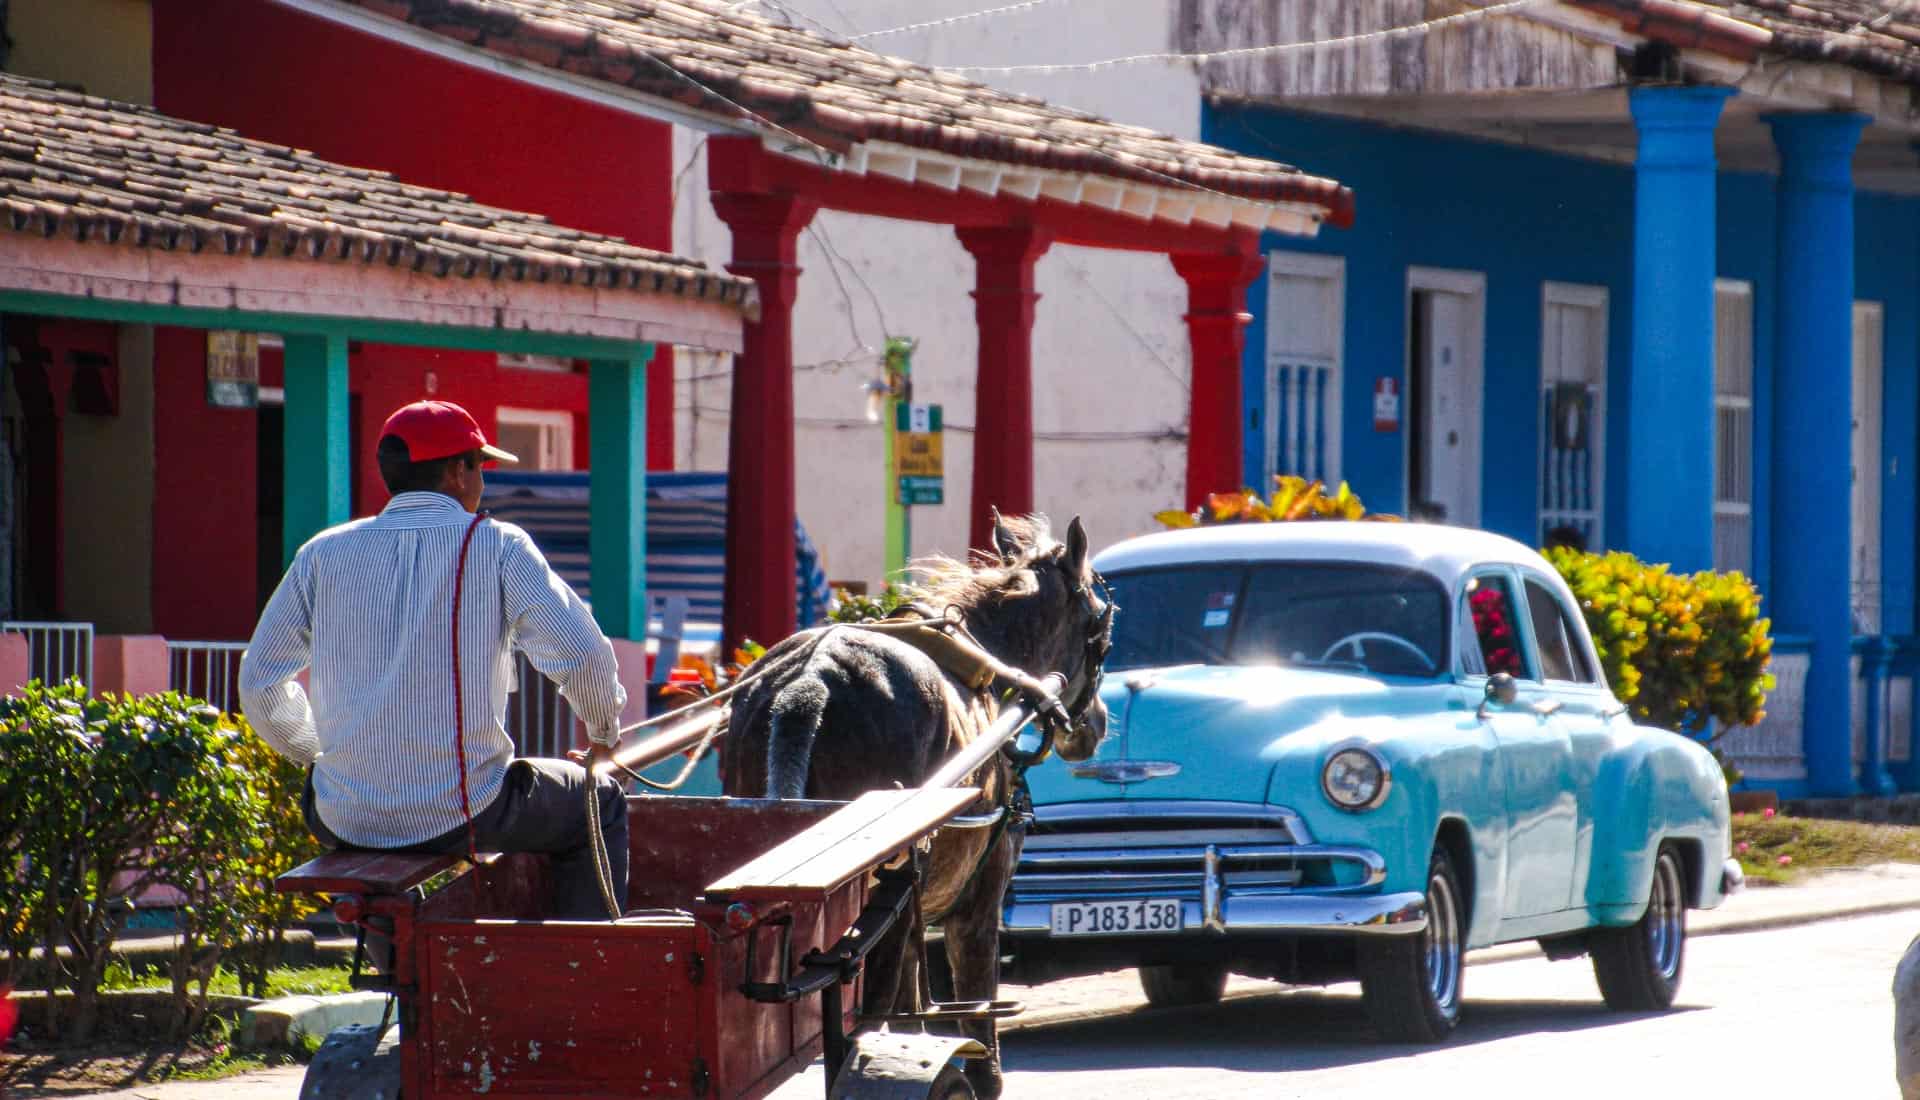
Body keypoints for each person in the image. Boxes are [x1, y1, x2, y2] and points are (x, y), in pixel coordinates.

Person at [240, 399, 630, 919]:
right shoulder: (498, 545)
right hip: (465, 812)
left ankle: (406, 971)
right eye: (480, 466)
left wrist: (320, 755)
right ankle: (585, 968)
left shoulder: (322, 553)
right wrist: (603, 732)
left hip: (340, 814)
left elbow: (260, 683)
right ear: (456, 472)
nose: (482, 482)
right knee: (599, 803)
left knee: (379, 874)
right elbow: (581, 656)